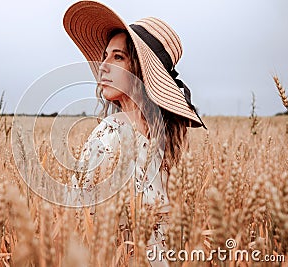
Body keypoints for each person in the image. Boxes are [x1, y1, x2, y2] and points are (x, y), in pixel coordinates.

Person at [63, 1, 207, 266]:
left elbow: (74, 216)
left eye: (118, 57)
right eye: (105, 55)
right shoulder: (156, 139)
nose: (103, 66)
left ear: (141, 71)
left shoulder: (124, 134)